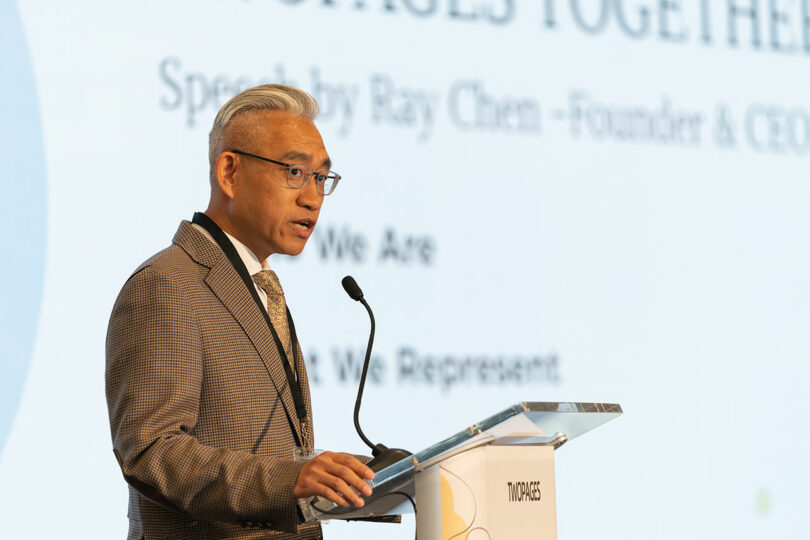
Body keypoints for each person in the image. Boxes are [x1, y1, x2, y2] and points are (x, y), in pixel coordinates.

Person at [106, 85, 380, 539]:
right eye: (295, 172)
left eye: (321, 178)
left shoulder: (257, 284)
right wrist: (288, 481)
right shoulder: (166, 285)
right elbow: (151, 450)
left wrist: (348, 481)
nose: (313, 197)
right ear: (230, 172)